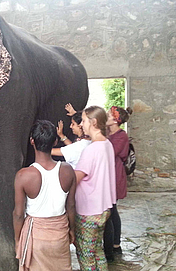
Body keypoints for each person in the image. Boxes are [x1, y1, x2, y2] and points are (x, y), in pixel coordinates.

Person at [13, 120, 76, 271]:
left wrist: (17, 240)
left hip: (36, 237)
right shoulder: (68, 170)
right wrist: (72, 229)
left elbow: (18, 214)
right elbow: (71, 206)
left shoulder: (23, 175)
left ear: (32, 141)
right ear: (55, 141)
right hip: (59, 235)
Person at [73, 106, 117, 271]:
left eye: (83, 120)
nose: (82, 124)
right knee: (97, 251)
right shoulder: (107, 144)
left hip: (88, 211)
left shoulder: (90, 150)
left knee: (86, 255)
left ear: (94, 122)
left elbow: (75, 178)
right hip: (103, 209)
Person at [103, 106, 133, 261]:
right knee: (111, 210)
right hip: (108, 174)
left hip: (114, 176)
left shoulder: (121, 136)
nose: (105, 116)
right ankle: (114, 244)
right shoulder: (109, 133)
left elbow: (108, 152)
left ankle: (115, 245)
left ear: (115, 120)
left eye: (108, 115)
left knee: (112, 210)